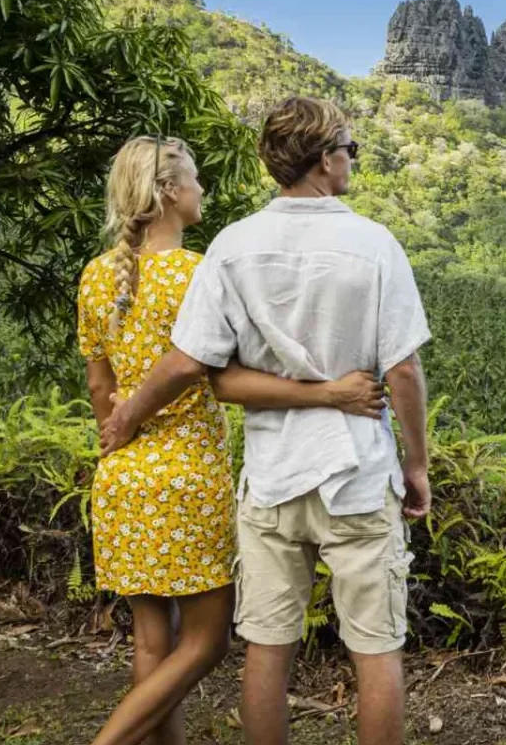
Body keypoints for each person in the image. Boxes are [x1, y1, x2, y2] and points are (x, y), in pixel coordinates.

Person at [101, 99, 432, 745]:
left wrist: (127, 416)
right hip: (358, 477)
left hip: (272, 480)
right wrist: (415, 463)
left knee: (267, 652)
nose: (352, 159)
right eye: (350, 148)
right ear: (325, 159)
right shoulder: (373, 245)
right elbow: (404, 373)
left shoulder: (232, 247)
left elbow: (197, 364)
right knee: (376, 652)